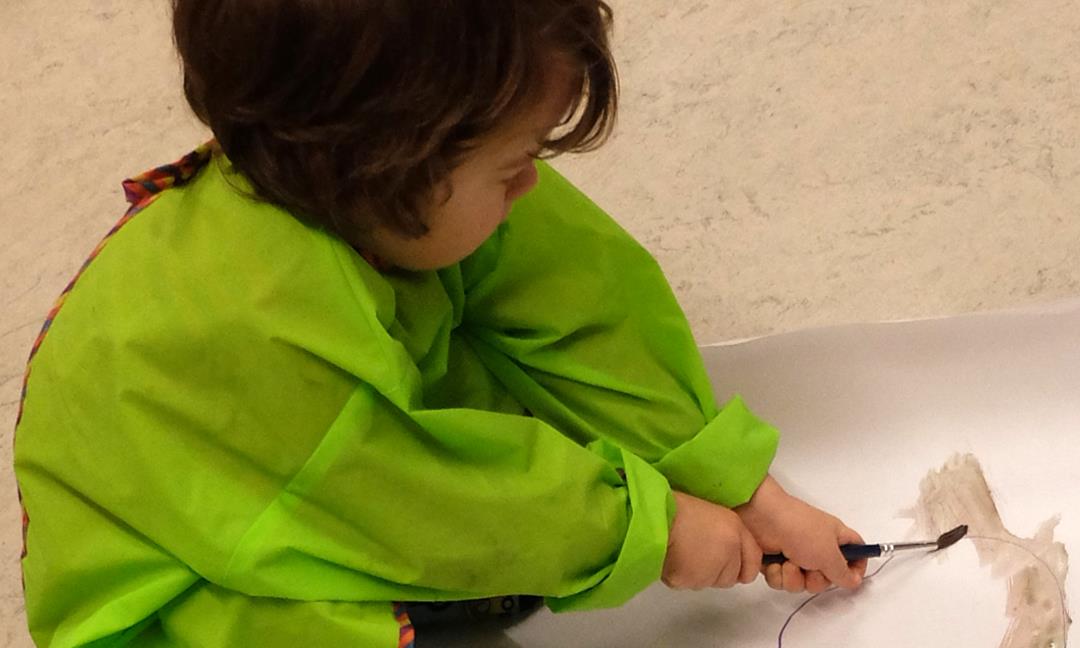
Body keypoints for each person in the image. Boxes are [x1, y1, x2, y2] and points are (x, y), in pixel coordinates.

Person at [13, 1, 866, 646]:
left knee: (521, 374)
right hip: (199, 588)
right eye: (512, 164)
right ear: (384, 167)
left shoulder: (383, 184)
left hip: (341, 480)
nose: (530, 185)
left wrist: (736, 486)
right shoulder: (247, 334)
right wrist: (649, 529)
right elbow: (418, 503)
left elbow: (579, 307)